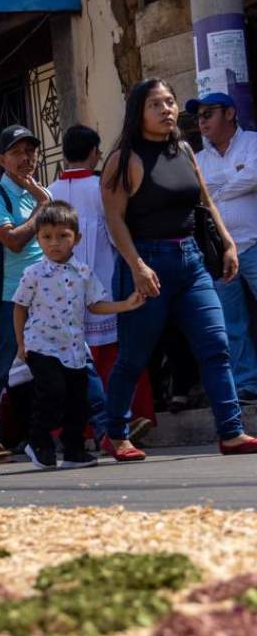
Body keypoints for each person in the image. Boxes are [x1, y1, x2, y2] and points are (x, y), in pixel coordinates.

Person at [101, 78, 257, 460]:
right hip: (146, 262)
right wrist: (136, 266)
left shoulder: (185, 150)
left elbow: (204, 201)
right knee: (134, 355)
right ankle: (115, 433)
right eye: (156, 104)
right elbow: (114, 220)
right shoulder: (124, 159)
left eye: (170, 102)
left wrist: (228, 243)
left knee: (216, 345)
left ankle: (231, 431)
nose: (167, 110)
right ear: (139, 111)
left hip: (191, 263)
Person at [13, 201, 146, 469]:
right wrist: (20, 343)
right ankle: (38, 441)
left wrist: (124, 305)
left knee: (79, 400)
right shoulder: (33, 274)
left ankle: (73, 451)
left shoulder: (83, 272)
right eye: (47, 237)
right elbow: (19, 307)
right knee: (52, 392)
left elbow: (94, 304)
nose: (55, 243)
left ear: (77, 238)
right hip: (41, 346)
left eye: (63, 236)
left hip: (74, 348)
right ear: (38, 239)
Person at [47, 124, 157, 444]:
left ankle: (77, 429)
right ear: (95, 153)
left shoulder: (49, 193)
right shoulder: (102, 188)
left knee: (71, 359)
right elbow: (118, 232)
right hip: (105, 284)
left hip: (62, 291)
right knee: (112, 357)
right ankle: (126, 419)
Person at [0, 125, 55, 463]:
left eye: (30, 151)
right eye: (18, 152)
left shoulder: (40, 192)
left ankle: (107, 425)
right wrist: (41, 207)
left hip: (47, 293)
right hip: (11, 298)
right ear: (1, 159)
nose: (26, 158)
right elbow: (15, 241)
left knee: (73, 355)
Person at [190, 92, 257, 402]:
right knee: (233, 325)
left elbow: (254, 175)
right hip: (219, 254)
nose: (202, 121)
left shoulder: (252, 143)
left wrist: (215, 188)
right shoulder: (199, 160)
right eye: (199, 116)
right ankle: (248, 384)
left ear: (229, 114)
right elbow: (197, 196)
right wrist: (237, 175)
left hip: (254, 244)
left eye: (209, 113)